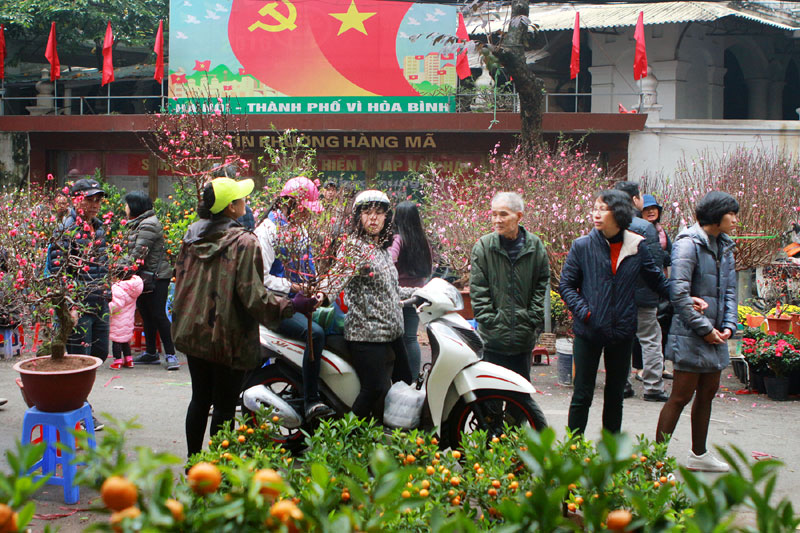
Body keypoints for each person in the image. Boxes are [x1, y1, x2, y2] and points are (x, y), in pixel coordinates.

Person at [172, 177, 315, 457]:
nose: (245, 202)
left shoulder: (192, 235)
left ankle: (194, 463)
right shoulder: (244, 242)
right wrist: (291, 305)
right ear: (231, 207)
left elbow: (180, 281)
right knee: (225, 405)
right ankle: (217, 468)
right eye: (240, 198)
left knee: (200, 398)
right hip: (228, 334)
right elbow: (254, 298)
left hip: (194, 329)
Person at [559, 190, 671, 435]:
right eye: (595, 208)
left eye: (602, 209)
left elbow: (657, 281)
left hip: (622, 332)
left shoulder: (636, 246)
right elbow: (566, 285)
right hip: (588, 330)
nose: (595, 214)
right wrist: (585, 313)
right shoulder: (583, 246)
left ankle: (611, 453)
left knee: (615, 395)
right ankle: (572, 449)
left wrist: (684, 297)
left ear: (618, 213)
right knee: (582, 394)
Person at [655, 191, 739, 472]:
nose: (735, 220)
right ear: (717, 215)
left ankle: (699, 454)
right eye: (732, 214)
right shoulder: (687, 244)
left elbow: (729, 291)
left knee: (708, 393)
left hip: (716, 333)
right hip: (691, 333)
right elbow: (679, 294)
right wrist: (705, 330)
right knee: (680, 395)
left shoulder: (725, 246)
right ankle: (654, 457)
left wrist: (728, 325)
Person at [254, 176, 335, 421]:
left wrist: (319, 289)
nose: (309, 216)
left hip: (299, 299)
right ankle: (312, 400)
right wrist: (293, 286)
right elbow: (264, 279)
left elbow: (309, 267)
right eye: (305, 210)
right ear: (290, 205)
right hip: (275, 305)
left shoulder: (299, 229)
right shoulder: (266, 231)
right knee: (316, 334)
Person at [335, 190, 413, 421]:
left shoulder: (381, 249)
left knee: (405, 380)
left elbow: (392, 288)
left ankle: (394, 435)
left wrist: (423, 292)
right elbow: (335, 280)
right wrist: (319, 295)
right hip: (366, 334)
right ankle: (344, 438)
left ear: (387, 218)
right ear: (358, 217)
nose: (373, 218)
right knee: (374, 389)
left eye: (379, 213)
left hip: (392, 331)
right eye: (367, 212)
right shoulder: (353, 248)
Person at [47, 178, 110, 431]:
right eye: (89, 199)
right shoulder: (66, 227)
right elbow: (57, 268)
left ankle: (78, 402)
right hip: (79, 303)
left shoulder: (99, 227)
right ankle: (81, 409)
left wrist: (107, 293)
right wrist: (69, 305)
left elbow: (103, 263)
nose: (95, 204)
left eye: (98, 199)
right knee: (79, 358)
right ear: (76, 199)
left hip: (99, 301)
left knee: (99, 354)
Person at [470, 192, 550, 382]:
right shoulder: (483, 247)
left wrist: (532, 317)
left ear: (519, 216)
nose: (497, 220)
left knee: (520, 396)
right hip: (492, 339)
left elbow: (541, 283)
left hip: (523, 338)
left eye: (503, 214)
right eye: (494, 214)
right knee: (492, 395)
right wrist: (490, 319)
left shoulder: (535, 246)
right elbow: (478, 289)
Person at [614, 181, 668, 402]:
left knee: (620, 340)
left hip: (617, 295)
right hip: (644, 295)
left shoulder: (609, 224)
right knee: (650, 339)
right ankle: (653, 387)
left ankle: (622, 384)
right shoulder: (645, 227)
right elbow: (653, 265)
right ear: (635, 199)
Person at [123, 191, 179, 371]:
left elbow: (138, 253)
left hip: (157, 277)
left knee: (158, 314)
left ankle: (170, 354)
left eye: (127, 204)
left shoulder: (148, 225)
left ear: (135, 206)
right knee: (146, 314)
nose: (125, 208)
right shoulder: (138, 223)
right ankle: (151, 353)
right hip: (143, 276)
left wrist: (120, 269)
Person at [389, 201, 433, 377]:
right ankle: (414, 378)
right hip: (417, 295)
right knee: (411, 338)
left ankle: (398, 377)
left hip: (398, 295)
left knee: (396, 339)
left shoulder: (397, 238)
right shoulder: (422, 240)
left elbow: (390, 259)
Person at [641, 194, 674, 369]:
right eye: (647, 209)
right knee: (644, 327)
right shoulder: (638, 229)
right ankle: (640, 367)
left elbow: (670, 255)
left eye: (654, 208)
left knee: (663, 323)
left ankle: (659, 365)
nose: (651, 211)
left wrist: (662, 256)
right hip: (645, 285)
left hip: (662, 283)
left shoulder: (662, 232)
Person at [108, 271, 143, 369]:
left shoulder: (118, 289)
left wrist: (107, 307)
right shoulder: (133, 288)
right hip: (128, 320)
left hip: (118, 321)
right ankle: (129, 360)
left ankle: (117, 361)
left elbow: (116, 306)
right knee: (125, 341)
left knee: (116, 341)